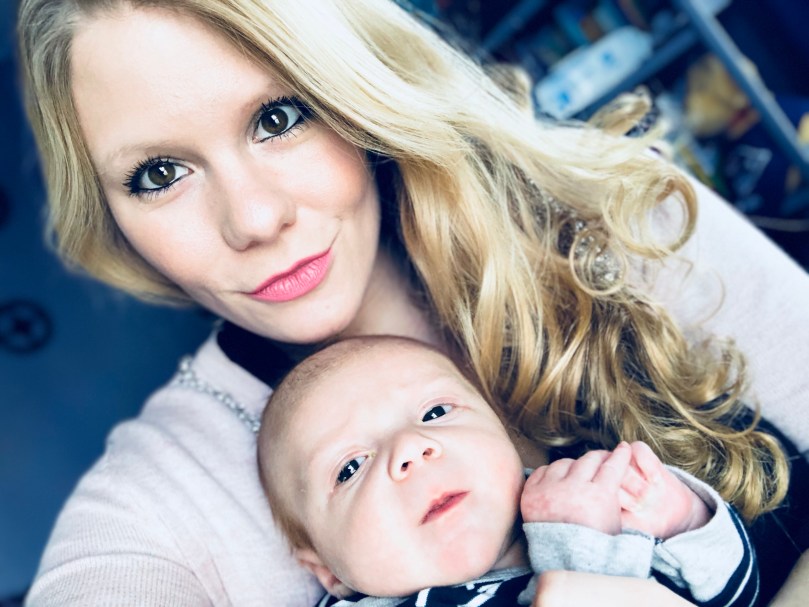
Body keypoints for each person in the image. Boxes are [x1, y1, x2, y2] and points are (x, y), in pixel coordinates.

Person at [14, 0, 809, 605]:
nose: (253, 218)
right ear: (108, 215)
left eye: (277, 117)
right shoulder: (158, 502)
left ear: (354, 91)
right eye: (158, 173)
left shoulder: (610, 210)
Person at [258, 335, 758, 607]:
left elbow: (736, 595)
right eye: (349, 467)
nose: (411, 448)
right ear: (327, 571)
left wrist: (680, 519)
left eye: (436, 412)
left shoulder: (592, 504)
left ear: (506, 436)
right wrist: (582, 548)